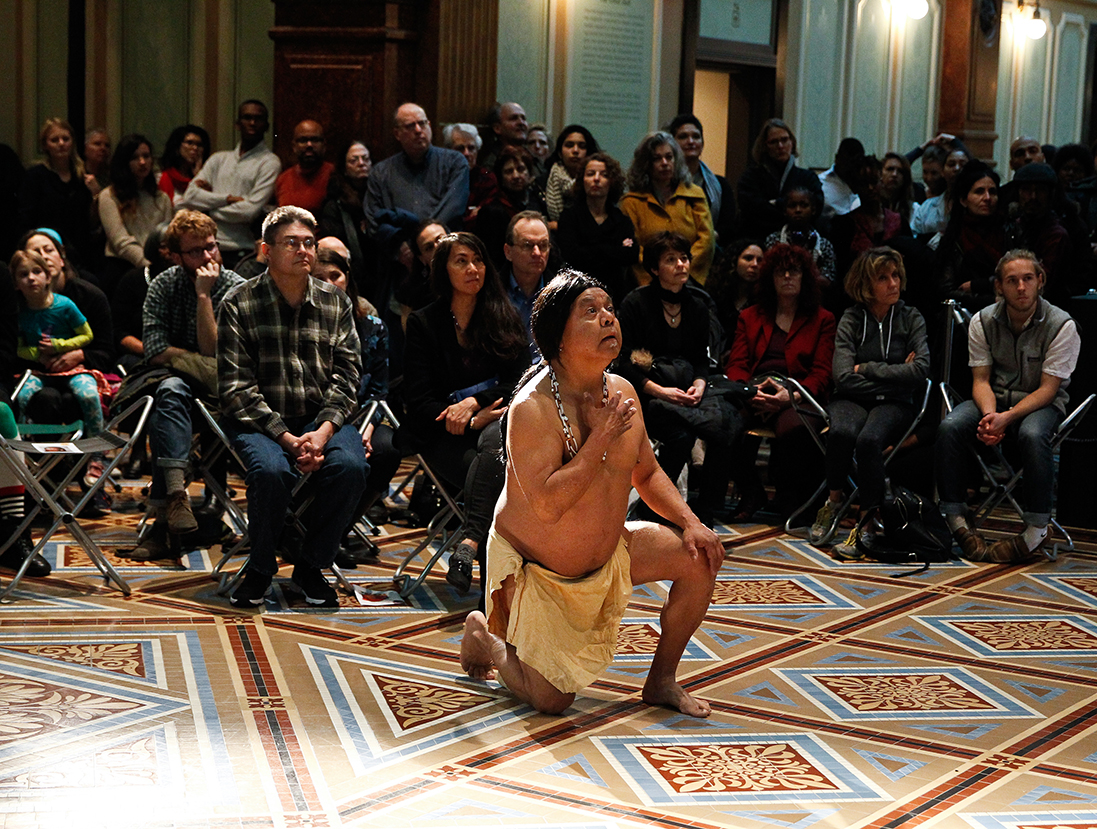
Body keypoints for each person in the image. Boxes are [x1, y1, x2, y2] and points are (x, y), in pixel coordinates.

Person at [458, 270, 724, 716]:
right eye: (591, 312)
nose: (608, 320)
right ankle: (486, 635)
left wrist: (691, 523)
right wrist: (599, 438)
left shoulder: (621, 392)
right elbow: (547, 505)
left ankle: (661, 681)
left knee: (700, 557)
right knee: (552, 701)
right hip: (535, 571)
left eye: (609, 310)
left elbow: (649, 474)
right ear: (557, 335)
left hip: (608, 552)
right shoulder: (531, 407)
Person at [219, 206, 368, 608]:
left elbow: (348, 377)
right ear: (266, 250)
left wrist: (321, 433)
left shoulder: (335, 302)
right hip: (261, 422)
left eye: (309, 243)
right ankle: (260, 567)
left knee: (351, 468)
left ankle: (310, 567)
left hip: (320, 420)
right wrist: (286, 439)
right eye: (292, 243)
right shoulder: (239, 303)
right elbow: (236, 387)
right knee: (270, 470)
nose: (304, 250)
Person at [402, 232, 529, 596]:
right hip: (442, 434)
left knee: (495, 458)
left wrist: (475, 404)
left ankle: (469, 544)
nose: (473, 269)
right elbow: (419, 399)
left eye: (478, 260)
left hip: (496, 429)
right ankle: (495, 593)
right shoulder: (424, 324)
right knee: (496, 473)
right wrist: (469, 419)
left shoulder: (505, 318)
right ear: (443, 271)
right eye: (461, 261)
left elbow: (520, 382)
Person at [935, 249, 1079, 561]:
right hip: (995, 399)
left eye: (1028, 279)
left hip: (1041, 403)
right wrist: (990, 416)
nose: (1022, 287)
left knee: (1031, 434)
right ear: (999, 286)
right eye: (1012, 281)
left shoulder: (1062, 325)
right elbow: (981, 380)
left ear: (1040, 281)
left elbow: (1048, 388)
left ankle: (1038, 526)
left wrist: (1008, 418)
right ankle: (955, 517)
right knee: (950, 425)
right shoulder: (982, 321)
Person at [135, 209, 246, 559]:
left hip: (225, 394)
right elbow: (154, 351)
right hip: (177, 392)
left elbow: (218, 356)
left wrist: (203, 297)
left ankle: (163, 524)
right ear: (176, 255)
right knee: (168, 392)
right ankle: (176, 497)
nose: (208, 256)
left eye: (211, 247)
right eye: (196, 251)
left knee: (170, 392)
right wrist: (198, 361)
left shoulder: (235, 287)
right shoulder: (162, 285)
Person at [811, 248, 930, 555]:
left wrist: (866, 368)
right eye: (883, 277)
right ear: (866, 284)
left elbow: (920, 371)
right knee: (841, 432)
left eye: (896, 276)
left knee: (869, 440)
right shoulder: (851, 318)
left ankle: (867, 522)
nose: (893, 283)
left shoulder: (911, 317)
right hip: (851, 399)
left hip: (896, 404)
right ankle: (833, 502)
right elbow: (842, 378)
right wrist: (895, 375)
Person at [617, 232, 737, 526]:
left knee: (725, 428)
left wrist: (698, 385)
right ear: (655, 268)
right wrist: (661, 391)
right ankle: (651, 508)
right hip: (646, 393)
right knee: (680, 437)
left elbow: (700, 359)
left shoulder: (697, 305)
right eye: (671, 260)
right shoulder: (636, 302)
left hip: (685, 391)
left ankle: (706, 510)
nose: (681, 265)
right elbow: (621, 361)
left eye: (684, 258)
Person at [725, 243, 836, 519]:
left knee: (794, 430)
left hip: (799, 395)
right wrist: (752, 391)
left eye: (794, 271)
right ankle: (751, 492)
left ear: (805, 277)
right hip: (756, 390)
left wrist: (790, 396)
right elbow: (736, 365)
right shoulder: (749, 316)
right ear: (769, 278)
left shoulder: (823, 319)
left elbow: (822, 372)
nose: (787, 277)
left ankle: (790, 498)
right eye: (780, 272)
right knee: (724, 422)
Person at [311, 247, 400, 567]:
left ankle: (337, 531)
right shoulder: (304, 322)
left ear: (348, 279)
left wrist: (367, 428)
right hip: (320, 418)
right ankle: (311, 529)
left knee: (388, 448)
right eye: (319, 279)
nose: (330, 284)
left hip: (363, 416)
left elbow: (379, 389)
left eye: (335, 276)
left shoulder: (373, 325)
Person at [11, 249, 105, 440]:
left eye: (36, 271)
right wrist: (37, 354)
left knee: (89, 395)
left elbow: (87, 335)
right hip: (40, 372)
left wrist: (59, 346)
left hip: (73, 369)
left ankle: (97, 451)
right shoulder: (20, 312)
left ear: (47, 276)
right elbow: (18, 347)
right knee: (20, 397)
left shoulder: (65, 305)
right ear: (16, 284)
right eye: (23, 274)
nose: (31, 278)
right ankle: (20, 451)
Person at [178, 100, 281, 269]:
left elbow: (249, 211)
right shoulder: (218, 159)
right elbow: (190, 197)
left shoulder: (270, 162)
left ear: (267, 125)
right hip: (207, 247)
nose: (253, 123)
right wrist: (228, 199)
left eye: (258, 118)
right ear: (237, 124)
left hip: (242, 250)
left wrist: (207, 207)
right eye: (247, 118)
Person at [620, 132, 715, 286]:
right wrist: (660, 271)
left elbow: (706, 240)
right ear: (646, 164)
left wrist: (682, 268)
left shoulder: (694, 194)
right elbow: (633, 246)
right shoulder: (631, 201)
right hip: (650, 282)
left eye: (669, 157)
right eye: (657, 159)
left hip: (689, 280)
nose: (664, 163)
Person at [365, 103, 469, 233]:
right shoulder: (381, 172)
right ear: (397, 134)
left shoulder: (455, 162)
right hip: (399, 248)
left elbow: (453, 208)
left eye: (422, 123)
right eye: (410, 126)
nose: (418, 130)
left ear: (429, 126)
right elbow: (374, 218)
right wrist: (400, 243)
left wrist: (421, 239)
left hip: (443, 244)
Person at [556, 152, 638, 304]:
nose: (596, 179)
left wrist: (591, 247)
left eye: (604, 175)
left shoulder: (621, 219)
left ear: (612, 181)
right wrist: (613, 249)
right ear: (582, 180)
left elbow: (631, 255)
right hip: (577, 293)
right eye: (590, 174)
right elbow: (571, 255)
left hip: (614, 294)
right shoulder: (570, 216)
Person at [99, 133, 174, 288]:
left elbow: (166, 237)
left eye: (146, 156)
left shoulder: (161, 198)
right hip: (122, 267)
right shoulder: (109, 196)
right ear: (125, 162)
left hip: (157, 267)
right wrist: (146, 265)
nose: (142, 162)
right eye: (135, 158)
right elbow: (120, 241)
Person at [18, 119, 93, 263]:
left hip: (80, 250)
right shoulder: (35, 176)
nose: (61, 144)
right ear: (45, 145)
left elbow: (90, 220)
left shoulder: (82, 175)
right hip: (44, 250)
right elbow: (25, 219)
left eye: (66, 139)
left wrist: (96, 194)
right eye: (54, 140)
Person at [737, 118, 823, 240]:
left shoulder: (808, 178)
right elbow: (752, 211)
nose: (780, 146)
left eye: (784, 140)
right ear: (765, 147)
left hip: (800, 242)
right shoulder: (750, 178)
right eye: (773, 142)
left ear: (792, 143)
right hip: (759, 241)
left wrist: (776, 203)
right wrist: (789, 209)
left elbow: (816, 207)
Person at [936, 161, 1005, 309]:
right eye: (979, 192)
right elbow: (947, 290)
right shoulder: (953, 239)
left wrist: (979, 285)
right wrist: (989, 300)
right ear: (963, 200)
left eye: (992, 192)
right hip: (967, 315)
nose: (987, 198)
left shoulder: (1009, 231)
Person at [667, 114, 736, 249]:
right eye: (683, 137)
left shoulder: (720, 185)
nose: (691, 141)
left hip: (709, 253)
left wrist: (705, 240)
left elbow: (728, 227)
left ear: (702, 143)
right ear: (672, 144)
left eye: (696, 137)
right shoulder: (663, 182)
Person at [475, 146, 547, 270]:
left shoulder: (538, 201)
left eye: (521, 169)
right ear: (501, 179)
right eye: (509, 171)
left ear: (529, 173)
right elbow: (493, 259)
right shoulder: (492, 211)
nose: (516, 176)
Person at [318, 140, 374, 298]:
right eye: (354, 160)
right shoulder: (335, 204)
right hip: (351, 277)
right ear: (344, 168)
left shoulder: (379, 198)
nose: (361, 164)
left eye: (365, 159)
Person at [501, 210, 553, 358]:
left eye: (543, 245)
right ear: (508, 252)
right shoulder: (491, 292)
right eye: (527, 245)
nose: (537, 253)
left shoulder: (562, 293)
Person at [764, 183, 836, 284]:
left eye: (804, 205)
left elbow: (828, 280)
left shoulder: (824, 245)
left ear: (813, 210)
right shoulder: (773, 240)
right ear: (785, 211)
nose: (798, 210)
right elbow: (768, 275)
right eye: (792, 206)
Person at [706, 238, 765, 344]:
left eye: (760, 260)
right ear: (734, 261)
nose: (755, 264)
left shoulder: (765, 301)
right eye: (748, 258)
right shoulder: (715, 296)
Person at [542, 125, 599, 227]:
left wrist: (559, 225)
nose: (575, 150)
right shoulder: (542, 181)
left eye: (582, 146)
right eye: (569, 145)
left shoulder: (596, 182)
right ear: (560, 152)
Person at [275, 120, 335, 214]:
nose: (309, 145)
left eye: (315, 140)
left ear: (324, 145)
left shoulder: (335, 175)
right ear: (294, 146)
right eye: (303, 140)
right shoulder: (283, 179)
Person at [911, 147, 969, 241]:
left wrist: (955, 141)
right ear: (942, 171)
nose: (957, 168)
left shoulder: (976, 205)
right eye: (951, 164)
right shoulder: (927, 207)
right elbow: (913, 237)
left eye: (962, 165)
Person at [818, 138, 866, 227]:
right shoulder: (821, 184)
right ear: (837, 159)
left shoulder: (867, 185)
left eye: (856, 163)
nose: (852, 168)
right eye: (848, 162)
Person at [158, 125, 211, 205]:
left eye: (199, 145)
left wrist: (199, 175)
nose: (195, 148)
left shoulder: (208, 179)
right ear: (177, 147)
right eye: (190, 143)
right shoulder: (164, 177)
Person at [479, 102, 530, 171]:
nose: (521, 123)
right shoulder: (491, 163)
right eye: (513, 119)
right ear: (497, 128)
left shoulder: (534, 156)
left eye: (523, 118)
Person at [880, 152, 916, 228]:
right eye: (890, 169)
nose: (894, 174)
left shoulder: (914, 210)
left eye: (900, 171)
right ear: (880, 173)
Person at [83, 128, 112, 196]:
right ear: (85, 148)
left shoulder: (114, 177)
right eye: (97, 144)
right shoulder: (77, 174)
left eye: (107, 145)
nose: (103, 148)